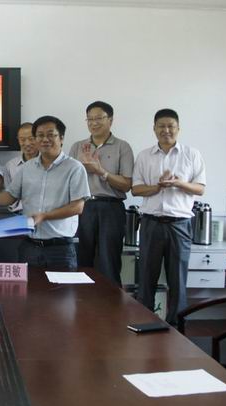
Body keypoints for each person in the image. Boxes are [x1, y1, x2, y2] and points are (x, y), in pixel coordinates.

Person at [0, 116, 90, 269]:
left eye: (51, 135)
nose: (45, 139)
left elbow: (77, 207)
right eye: (40, 135)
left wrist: (45, 216)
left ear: (61, 138)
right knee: (29, 285)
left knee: (60, 286)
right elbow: (10, 196)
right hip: (30, 246)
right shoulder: (27, 168)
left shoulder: (74, 168)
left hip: (60, 248)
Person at [132, 108, 206, 326]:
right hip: (151, 223)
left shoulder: (192, 154)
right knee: (146, 278)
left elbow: (200, 188)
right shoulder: (144, 156)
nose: (166, 130)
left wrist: (178, 183)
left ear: (178, 128)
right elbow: (136, 189)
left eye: (170, 126)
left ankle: (176, 329)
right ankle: (143, 324)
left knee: (178, 281)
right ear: (154, 129)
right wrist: (157, 187)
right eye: (161, 126)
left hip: (180, 225)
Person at [68, 101, 134, 286]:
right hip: (82, 207)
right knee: (81, 259)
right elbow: (67, 181)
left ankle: (111, 302)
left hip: (111, 208)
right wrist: (81, 169)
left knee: (108, 261)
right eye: (90, 119)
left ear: (110, 120)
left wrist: (100, 171)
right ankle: (82, 301)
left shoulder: (122, 147)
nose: (93, 123)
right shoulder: (78, 147)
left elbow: (127, 185)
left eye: (98, 118)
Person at [2, 122, 38, 214]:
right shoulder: (10, 166)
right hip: (17, 215)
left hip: (44, 216)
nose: (27, 143)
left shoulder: (48, 163)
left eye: (31, 139)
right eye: (22, 139)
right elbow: (8, 196)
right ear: (18, 140)